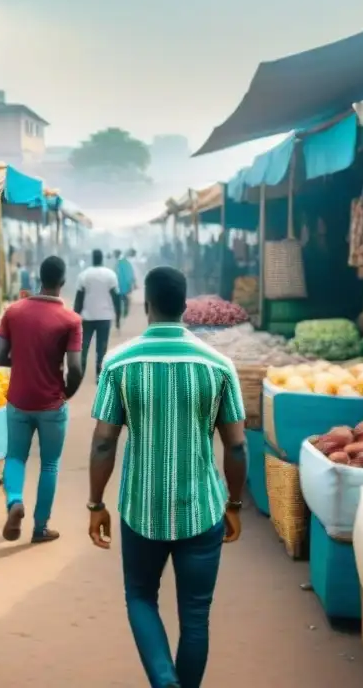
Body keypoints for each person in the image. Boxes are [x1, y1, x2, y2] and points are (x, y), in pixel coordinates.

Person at [88, 266, 247, 688]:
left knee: (140, 597)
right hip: (202, 509)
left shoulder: (119, 362)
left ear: (148, 304)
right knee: (195, 615)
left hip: (141, 509)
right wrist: (234, 503)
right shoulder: (218, 365)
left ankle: (164, 681)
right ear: (185, 305)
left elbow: (104, 441)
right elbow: (236, 445)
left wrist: (95, 503)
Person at [0, 256, 83, 544]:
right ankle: (40, 527)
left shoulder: (14, 311)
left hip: (18, 400)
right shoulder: (70, 320)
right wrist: (67, 392)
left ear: (38, 279)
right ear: (63, 282)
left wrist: (22, 361)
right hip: (51, 403)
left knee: (16, 456)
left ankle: (15, 502)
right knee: (49, 465)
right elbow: (77, 368)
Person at [74, 249, 120, 379]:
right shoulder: (110, 275)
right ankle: (98, 374)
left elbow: (79, 299)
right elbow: (116, 297)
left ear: (92, 258)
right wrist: (118, 317)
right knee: (102, 346)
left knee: (84, 346)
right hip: (105, 317)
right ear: (102, 259)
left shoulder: (84, 275)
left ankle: (80, 372)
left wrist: (74, 317)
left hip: (87, 317)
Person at [114, 249, 136, 319]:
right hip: (123, 283)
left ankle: (121, 314)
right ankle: (124, 312)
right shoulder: (124, 262)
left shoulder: (120, 262)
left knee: (121, 298)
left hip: (121, 283)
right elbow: (130, 272)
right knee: (124, 298)